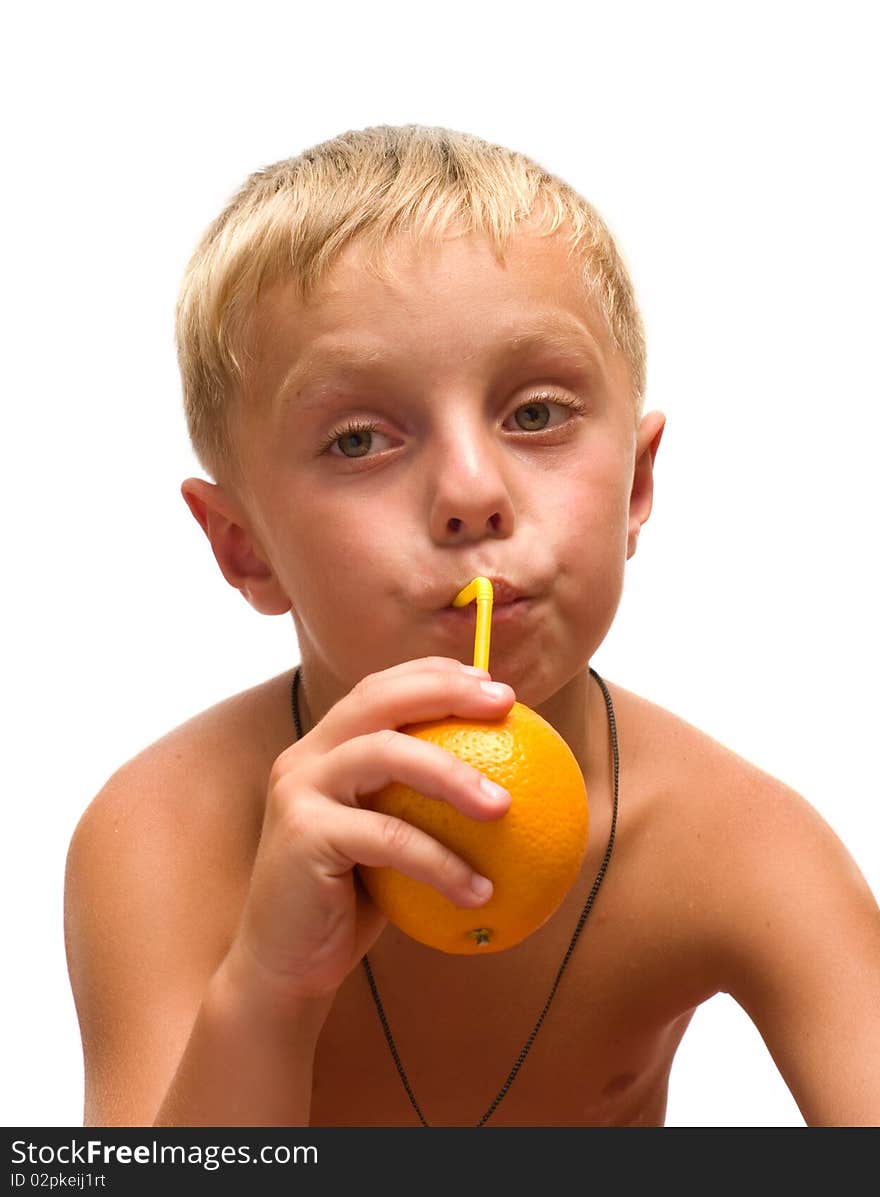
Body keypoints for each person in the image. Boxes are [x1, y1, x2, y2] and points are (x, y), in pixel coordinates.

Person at [63, 124, 880, 1128]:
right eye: (359, 438)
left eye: (535, 415)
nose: (471, 492)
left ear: (635, 486)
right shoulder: (166, 833)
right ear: (244, 548)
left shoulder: (738, 844)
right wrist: (271, 989)